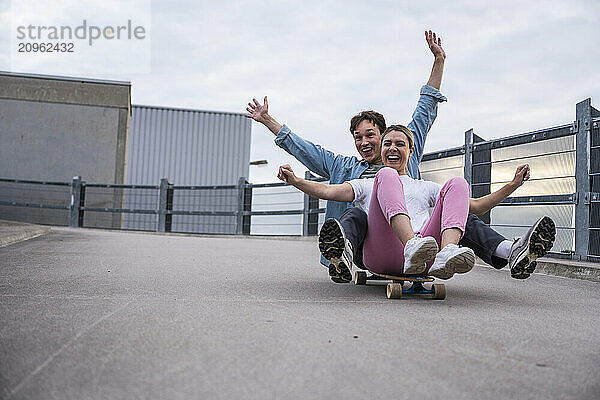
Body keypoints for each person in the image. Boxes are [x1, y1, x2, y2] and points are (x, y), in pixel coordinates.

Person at [245, 30, 555, 282]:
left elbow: (425, 111)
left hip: (422, 242)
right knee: (355, 212)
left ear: (386, 139)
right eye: (358, 138)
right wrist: (271, 125)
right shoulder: (347, 168)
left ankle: (510, 252)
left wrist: (439, 61)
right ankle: (344, 255)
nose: (365, 143)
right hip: (373, 242)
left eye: (371, 136)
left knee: (460, 208)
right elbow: (309, 155)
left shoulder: (407, 149)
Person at [277, 125, 553, 280]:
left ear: (410, 151)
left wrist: (512, 185)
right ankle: (346, 254)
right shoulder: (370, 181)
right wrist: (297, 182)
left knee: (456, 184)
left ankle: (503, 251)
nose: (392, 148)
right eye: (387, 144)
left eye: (400, 144)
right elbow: (329, 192)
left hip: (426, 255)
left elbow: (477, 207)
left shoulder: (426, 187)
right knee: (356, 211)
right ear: (382, 150)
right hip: (383, 254)